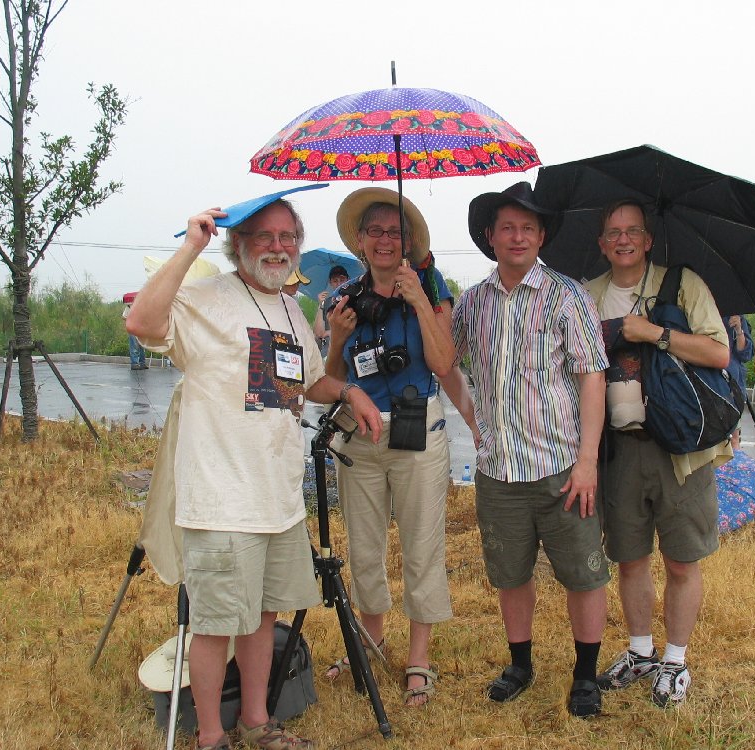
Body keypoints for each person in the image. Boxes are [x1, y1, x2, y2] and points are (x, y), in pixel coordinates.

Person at [126, 191, 382, 750]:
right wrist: (191, 248)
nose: (278, 246)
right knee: (216, 626)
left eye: (288, 236)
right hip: (222, 500)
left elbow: (308, 382)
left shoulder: (291, 308)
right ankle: (210, 736)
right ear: (238, 244)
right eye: (264, 236)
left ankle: (257, 722)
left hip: (279, 499)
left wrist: (351, 392)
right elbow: (142, 322)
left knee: (265, 616)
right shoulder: (204, 298)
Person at [451, 181, 609, 718]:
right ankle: (520, 665)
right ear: (490, 237)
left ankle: (585, 675)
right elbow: (446, 361)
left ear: (542, 237)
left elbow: (592, 378)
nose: (517, 237)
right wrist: (472, 417)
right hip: (498, 471)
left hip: (562, 468)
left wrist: (587, 461)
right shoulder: (473, 302)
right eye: (507, 228)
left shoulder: (569, 296)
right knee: (510, 574)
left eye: (527, 228)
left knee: (584, 574)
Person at [584, 198, 731, 708]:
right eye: (613, 232)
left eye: (632, 231)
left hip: (680, 450)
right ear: (602, 243)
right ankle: (641, 651)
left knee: (682, 560)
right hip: (619, 450)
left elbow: (719, 352)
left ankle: (675, 659)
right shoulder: (587, 295)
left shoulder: (682, 284)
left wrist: (654, 333)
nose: (622, 239)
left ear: (648, 240)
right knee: (629, 558)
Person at [322, 187, 455, 707]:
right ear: (359, 240)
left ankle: (419, 658)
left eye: (394, 232)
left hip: (418, 429)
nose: (384, 240)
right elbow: (329, 380)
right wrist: (337, 338)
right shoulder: (343, 300)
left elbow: (443, 363)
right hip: (361, 434)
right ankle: (371, 640)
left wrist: (419, 300)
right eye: (374, 231)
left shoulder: (431, 289)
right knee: (364, 544)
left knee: (423, 545)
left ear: (408, 241)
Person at [723, 314, 754, 449]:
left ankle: (736, 460)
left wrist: (739, 330)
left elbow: (746, 355)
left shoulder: (736, 314)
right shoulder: (703, 311)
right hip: (709, 383)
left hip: (733, 385)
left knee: (734, 437)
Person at [312, 265, 350, 355]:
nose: (339, 284)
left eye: (342, 280)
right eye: (335, 281)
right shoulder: (327, 302)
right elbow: (318, 333)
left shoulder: (354, 300)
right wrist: (321, 304)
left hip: (348, 350)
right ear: (330, 283)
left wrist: (331, 332)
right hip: (328, 352)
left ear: (348, 280)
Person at [123, 295, 148, 370]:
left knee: (142, 346)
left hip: (141, 329)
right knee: (134, 346)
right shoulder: (129, 307)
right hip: (133, 329)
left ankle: (142, 363)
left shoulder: (142, 307)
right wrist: (131, 319)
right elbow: (124, 316)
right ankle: (134, 364)